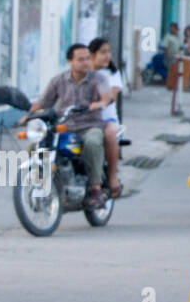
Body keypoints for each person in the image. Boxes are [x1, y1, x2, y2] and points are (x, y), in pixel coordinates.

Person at [28, 43, 108, 207]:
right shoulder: (58, 81)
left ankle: (95, 188)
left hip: (89, 126)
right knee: (33, 146)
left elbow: (106, 97)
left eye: (87, 59)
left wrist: (96, 104)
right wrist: (29, 115)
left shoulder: (98, 79)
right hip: (63, 127)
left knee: (92, 143)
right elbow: (43, 103)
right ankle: (40, 182)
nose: (86, 62)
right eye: (81, 59)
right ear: (70, 61)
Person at [88, 37, 125, 198]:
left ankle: (112, 177)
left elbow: (112, 96)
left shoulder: (112, 74)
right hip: (83, 120)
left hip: (106, 120)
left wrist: (98, 103)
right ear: (92, 54)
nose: (107, 56)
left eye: (108, 52)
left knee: (109, 134)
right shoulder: (83, 72)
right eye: (102, 52)